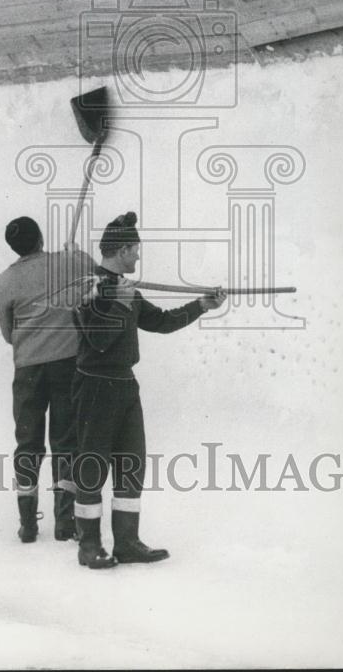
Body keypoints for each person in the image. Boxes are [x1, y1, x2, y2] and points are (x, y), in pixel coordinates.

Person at [72, 211, 226, 569]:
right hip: (95, 386)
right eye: (136, 250)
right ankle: (89, 546)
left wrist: (201, 305)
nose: (139, 257)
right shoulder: (88, 288)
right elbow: (96, 341)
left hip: (125, 384)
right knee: (92, 466)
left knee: (131, 464)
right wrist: (118, 303)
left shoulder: (127, 289)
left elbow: (160, 322)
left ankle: (126, 544)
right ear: (123, 249)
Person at [0, 216, 96, 543]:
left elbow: (8, 334)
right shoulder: (67, 263)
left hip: (27, 370)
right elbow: (96, 273)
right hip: (67, 365)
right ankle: (65, 522)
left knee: (27, 443)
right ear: (40, 238)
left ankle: (27, 524)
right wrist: (75, 252)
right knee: (67, 443)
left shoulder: (3, 281)